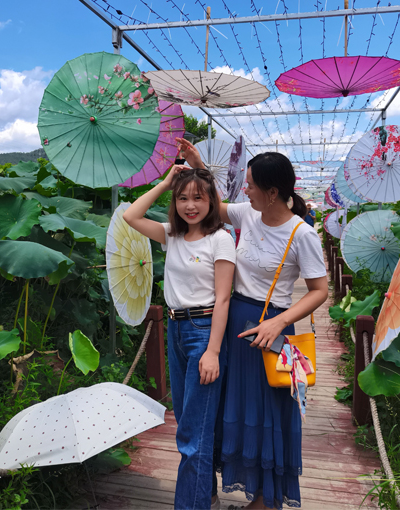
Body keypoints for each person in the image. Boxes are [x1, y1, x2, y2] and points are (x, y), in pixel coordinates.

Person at [176, 139, 329, 509]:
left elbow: (319, 291)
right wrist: (198, 165)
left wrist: (280, 323)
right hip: (234, 324)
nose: (244, 189)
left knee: (267, 413)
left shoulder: (302, 233)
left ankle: (265, 500)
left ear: (272, 192)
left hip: (271, 328)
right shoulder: (248, 214)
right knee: (233, 409)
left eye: (250, 184)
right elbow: (213, 205)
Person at [123, 166, 236, 510]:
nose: (190, 205)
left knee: (192, 433)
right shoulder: (171, 234)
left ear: (211, 201)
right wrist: (164, 183)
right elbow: (131, 216)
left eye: (198, 198)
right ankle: (208, 497)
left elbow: (224, 299)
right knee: (190, 422)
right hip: (175, 330)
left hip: (204, 332)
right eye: (182, 198)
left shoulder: (220, 238)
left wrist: (213, 351)